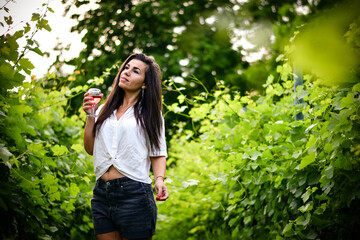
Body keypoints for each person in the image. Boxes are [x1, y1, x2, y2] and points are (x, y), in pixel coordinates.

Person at [82, 53, 169, 240]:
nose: (127, 72)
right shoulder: (105, 108)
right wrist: (91, 115)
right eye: (126, 68)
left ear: (145, 83)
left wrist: (159, 180)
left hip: (135, 193)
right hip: (102, 193)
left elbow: (158, 152)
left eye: (135, 71)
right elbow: (90, 149)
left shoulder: (151, 115)